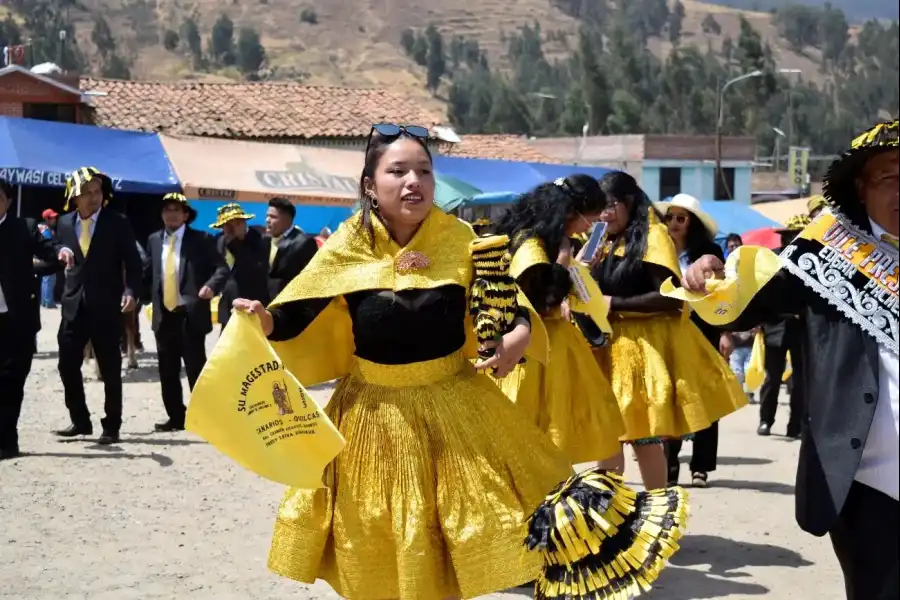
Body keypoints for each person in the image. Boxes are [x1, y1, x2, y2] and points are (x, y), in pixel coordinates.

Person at [228, 125, 687, 599]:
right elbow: (297, 311)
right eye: (398, 171)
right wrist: (263, 320)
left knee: (481, 520)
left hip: (457, 405)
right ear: (371, 184)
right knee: (379, 530)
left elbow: (511, 308)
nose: (414, 182)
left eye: (423, 171)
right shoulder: (348, 245)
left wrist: (517, 338)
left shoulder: (464, 241)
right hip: (371, 415)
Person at [680, 119, 898, 600]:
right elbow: (742, 302)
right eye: (890, 177)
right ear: (861, 189)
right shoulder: (828, 255)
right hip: (871, 485)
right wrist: (710, 270)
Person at [584, 172, 746, 491]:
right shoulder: (603, 240)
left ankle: (658, 513)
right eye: (598, 208)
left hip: (643, 351)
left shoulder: (652, 237)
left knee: (643, 438)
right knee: (608, 436)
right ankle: (612, 514)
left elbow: (670, 298)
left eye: (610, 206)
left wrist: (612, 302)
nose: (603, 214)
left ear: (629, 202)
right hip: (608, 347)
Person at [492, 175, 625, 465]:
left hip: (550, 346)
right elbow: (534, 303)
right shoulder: (532, 247)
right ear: (570, 213)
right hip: (534, 350)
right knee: (535, 433)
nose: (588, 228)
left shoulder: (537, 237)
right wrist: (564, 262)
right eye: (588, 220)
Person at [54, 167, 143, 445]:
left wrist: (131, 289)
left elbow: (134, 263)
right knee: (67, 365)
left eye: (97, 192)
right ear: (74, 197)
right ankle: (80, 421)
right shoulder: (64, 223)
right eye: (86, 193)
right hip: (72, 306)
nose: (93, 198)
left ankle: (112, 424)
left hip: (106, 305)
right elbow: (60, 256)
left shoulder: (117, 222)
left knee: (109, 368)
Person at [656, 193, 734, 488]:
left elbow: (724, 293)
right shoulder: (657, 250)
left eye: (681, 218)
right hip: (667, 332)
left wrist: (726, 333)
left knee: (706, 398)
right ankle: (670, 466)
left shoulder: (710, 252)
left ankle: (700, 466)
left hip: (704, 331)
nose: (674, 223)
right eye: (670, 217)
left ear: (692, 224)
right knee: (669, 398)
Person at [145, 193, 224, 432]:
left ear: (186, 215)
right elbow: (148, 272)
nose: (171, 214)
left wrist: (211, 285)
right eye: (166, 210)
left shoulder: (201, 239)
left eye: (176, 210)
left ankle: (206, 418)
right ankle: (176, 417)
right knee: (167, 371)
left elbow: (221, 268)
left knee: (195, 368)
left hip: (190, 313)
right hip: (164, 314)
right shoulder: (153, 240)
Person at [0, 179, 62, 459]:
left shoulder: (25, 228)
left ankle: (7, 442)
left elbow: (51, 254)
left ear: (8, 201)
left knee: (11, 383)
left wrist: (61, 253)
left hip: (17, 321)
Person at [756, 214, 810, 439]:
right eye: (789, 236)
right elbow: (761, 294)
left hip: (802, 327)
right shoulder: (772, 261)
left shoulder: (811, 263)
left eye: (797, 236)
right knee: (772, 377)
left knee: (800, 380)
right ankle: (766, 420)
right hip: (776, 326)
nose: (792, 239)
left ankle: (795, 426)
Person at [205, 203, 269, 329]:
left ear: (243, 222)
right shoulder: (219, 240)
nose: (229, 229)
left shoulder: (259, 239)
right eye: (226, 225)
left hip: (251, 303)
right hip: (228, 302)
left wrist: (236, 242)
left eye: (236, 223)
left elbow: (255, 268)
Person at [264, 197, 318, 298]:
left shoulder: (304, 242)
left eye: (273, 217)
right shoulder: (265, 240)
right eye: (267, 216)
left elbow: (310, 278)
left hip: (288, 305)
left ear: (287, 219)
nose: (267, 220)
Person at [39, 208, 59, 308]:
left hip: (45, 259)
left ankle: (44, 301)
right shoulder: (46, 231)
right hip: (48, 259)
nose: (54, 220)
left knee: (46, 280)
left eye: (55, 218)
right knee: (49, 280)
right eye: (51, 218)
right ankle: (48, 302)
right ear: (46, 219)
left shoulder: (46, 229)